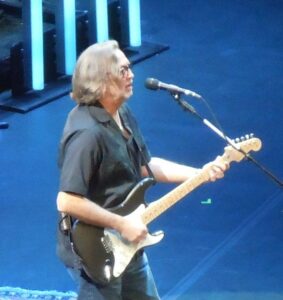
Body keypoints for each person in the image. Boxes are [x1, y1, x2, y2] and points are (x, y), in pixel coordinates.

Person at [56, 40, 228, 300]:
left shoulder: (122, 113)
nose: (132, 74)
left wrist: (200, 174)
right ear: (101, 79)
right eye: (123, 70)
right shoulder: (87, 134)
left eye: (130, 67)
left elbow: (145, 167)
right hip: (97, 248)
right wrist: (121, 224)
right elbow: (67, 200)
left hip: (128, 240)